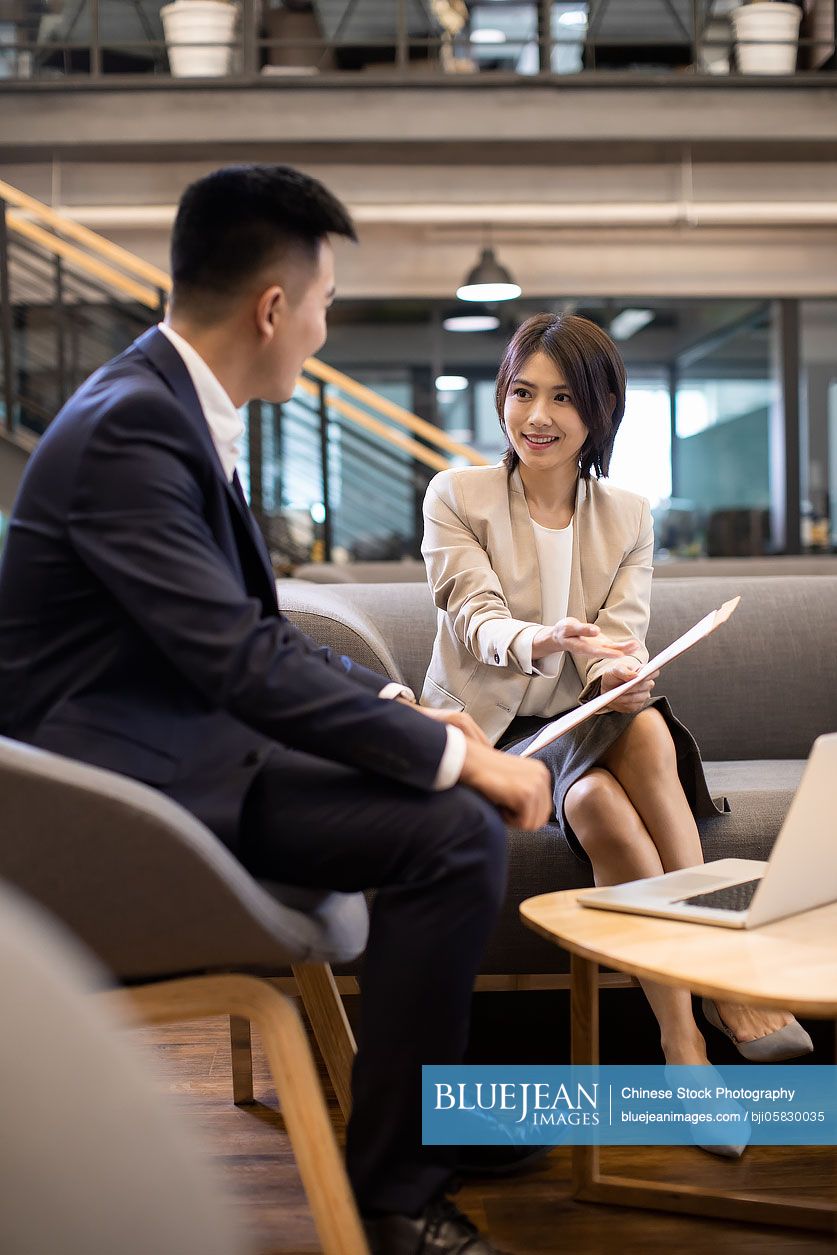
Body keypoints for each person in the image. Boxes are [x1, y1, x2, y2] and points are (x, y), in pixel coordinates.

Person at [0, 165, 554, 1255]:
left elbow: (243, 636)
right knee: (447, 828)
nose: (323, 327)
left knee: (436, 800)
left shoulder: (163, 405)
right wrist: (457, 760)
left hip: (173, 752)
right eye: (324, 304)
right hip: (118, 795)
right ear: (271, 308)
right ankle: (395, 1200)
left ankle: (420, 1115)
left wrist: (402, 706)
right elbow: (240, 660)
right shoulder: (132, 428)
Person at [421, 313, 812, 1096]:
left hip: (590, 720)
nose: (537, 416)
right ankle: (689, 1034)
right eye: (523, 391)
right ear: (502, 394)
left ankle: (705, 1000)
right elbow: (473, 613)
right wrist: (542, 639)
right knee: (598, 806)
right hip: (496, 726)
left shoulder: (628, 513)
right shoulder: (457, 494)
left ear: (599, 409)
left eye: (563, 398)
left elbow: (623, 636)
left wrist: (616, 673)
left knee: (643, 732)